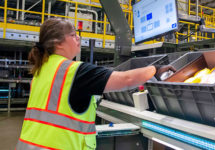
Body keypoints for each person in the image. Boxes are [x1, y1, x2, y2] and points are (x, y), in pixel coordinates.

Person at [16, 18, 175, 150]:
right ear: (58, 44)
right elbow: (126, 79)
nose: (78, 38)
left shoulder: (40, 71)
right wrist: (156, 69)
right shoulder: (73, 71)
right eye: (73, 35)